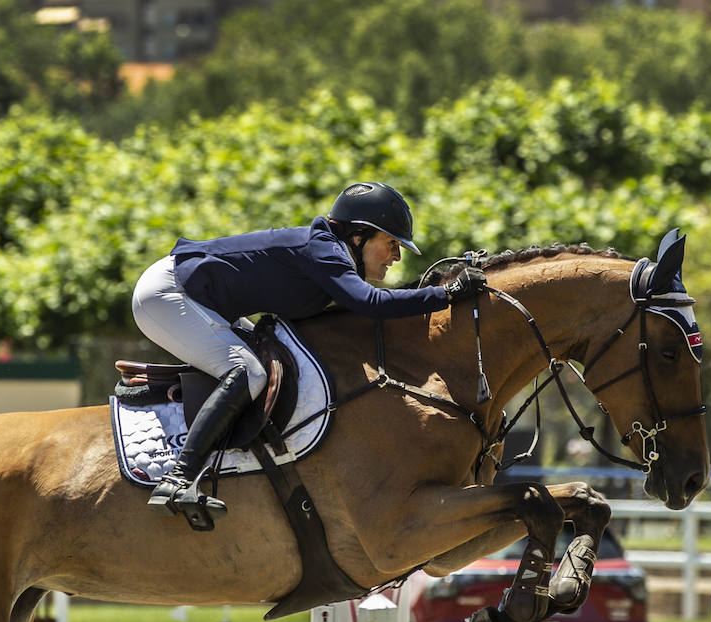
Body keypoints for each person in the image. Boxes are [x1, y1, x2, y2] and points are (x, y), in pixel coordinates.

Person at [131, 181, 487, 524]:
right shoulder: (324, 249)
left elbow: (365, 307)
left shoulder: (330, 255)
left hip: (198, 298)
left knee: (262, 367)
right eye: (392, 243)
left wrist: (437, 290)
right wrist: (448, 293)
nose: (396, 256)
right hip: (168, 293)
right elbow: (371, 303)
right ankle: (178, 479)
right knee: (248, 373)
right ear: (358, 235)